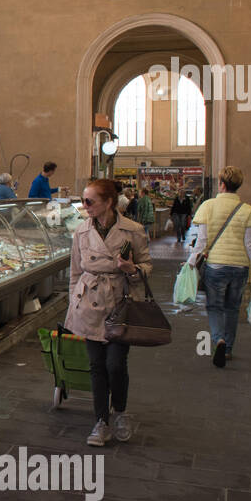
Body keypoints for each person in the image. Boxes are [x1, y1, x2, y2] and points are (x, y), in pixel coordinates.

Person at [64, 177, 153, 447]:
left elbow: (147, 265)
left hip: (119, 301)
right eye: (83, 200)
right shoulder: (81, 231)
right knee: (96, 366)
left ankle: (121, 412)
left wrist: (133, 270)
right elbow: (75, 271)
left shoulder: (133, 230)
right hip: (89, 302)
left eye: (89, 201)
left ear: (108, 203)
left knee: (115, 364)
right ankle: (101, 421)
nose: (85, 205)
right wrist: (73, 302)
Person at [189, 166, 251, 367]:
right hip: (240, 267)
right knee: (232, 308)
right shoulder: (247, 210)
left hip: (215, 266)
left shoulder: (208, 206)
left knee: (215, 307)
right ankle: (229, 349)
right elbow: (250, 245)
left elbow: (202, 241)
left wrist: (191, 263)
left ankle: (218, 340)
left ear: (221, 184)